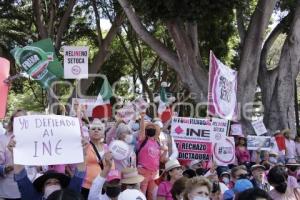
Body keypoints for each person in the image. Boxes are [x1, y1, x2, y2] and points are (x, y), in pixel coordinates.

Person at [6, 136, 87, 200]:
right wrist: (16, 154)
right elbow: (21, 179)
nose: (52, 184)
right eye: (48, 183)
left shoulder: (69, 195)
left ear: (62, 187)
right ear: (42, 189)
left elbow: (79, 176)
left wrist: (82, 153)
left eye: (56, 182)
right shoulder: (32, 197)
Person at [137, 113, 168, 200]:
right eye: (149, 128)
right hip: (143, 171)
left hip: (154, 174)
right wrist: (142, 117)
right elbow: (142, 130)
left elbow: (161, 160)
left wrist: (165, 151)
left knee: (152, 194)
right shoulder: (143, 140)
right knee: (142, 194)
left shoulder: (157, 143)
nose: (151, 129)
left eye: (153, 128)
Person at [0, 109, 26, 200]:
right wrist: (8, 167)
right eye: (17, 119)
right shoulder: (2, 139)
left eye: (23, 119)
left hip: (30, 189)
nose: (20, 122)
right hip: (9, 191)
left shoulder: (34, 140)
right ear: (12, 122)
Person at [82, 118, 109, 199]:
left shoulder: (106, 147)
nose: (96, 130)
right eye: (93, 129)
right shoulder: (85, 146)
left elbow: (111, 166)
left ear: (103, 133)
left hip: (103, 185)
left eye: (99, 129)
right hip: (87, 185)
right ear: (89, 132)